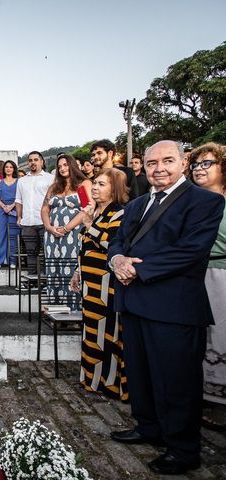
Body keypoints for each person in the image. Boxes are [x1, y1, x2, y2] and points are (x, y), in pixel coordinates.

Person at [108, 140, 225, 475]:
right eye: (151, 163)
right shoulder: (136, 204)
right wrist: (116, 258)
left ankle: (184, 449)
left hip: (173, 306)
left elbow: (192, 249)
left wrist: (136, 269)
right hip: (133, 302)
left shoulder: (204, 201)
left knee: (177, 381)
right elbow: (118, 240)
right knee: (141, 374)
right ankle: (148, 427)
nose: (158, 168)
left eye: (167, 160)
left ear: (184, 162)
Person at [70, 168, 128, 401]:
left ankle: (111, 384)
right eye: (94, 183)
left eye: (101, 184)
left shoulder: (119, 214)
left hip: (108, 285)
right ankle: (92, 378)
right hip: (90, 283)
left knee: (109, 332)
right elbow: (86, 246)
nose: (94, 187)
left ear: (114, 189)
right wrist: (77, 271)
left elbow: (112, 245)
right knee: (91, 330)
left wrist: (89, 224)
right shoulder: (95, 212)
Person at [189, 142, 226, 430]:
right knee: (200, 336)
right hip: (192, 274)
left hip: (220, 274)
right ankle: (200, 396)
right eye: (196, 165)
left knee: (221, 335)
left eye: (206, 163)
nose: (199, 169)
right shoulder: (190, 202)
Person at [41, 154, 91, 301]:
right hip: (52, 235)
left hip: (74, 234)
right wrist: (49, 227)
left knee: (71, 267)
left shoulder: (83, 184)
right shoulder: (54, 187)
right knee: (54, 269)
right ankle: (56, 309)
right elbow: (44, 209)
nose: (62, 168)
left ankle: (73, 309)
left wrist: (66, 228)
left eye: (65, 165)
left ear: (72, 165)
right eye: (60, 166)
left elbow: (86, 209)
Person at [14, 151, 53, 274]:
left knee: (47, 252)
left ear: (42, 162)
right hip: (28, 223)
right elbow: (18, 200)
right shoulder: (22, 181)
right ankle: (32, 279)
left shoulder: (50, 178)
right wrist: (19, 217)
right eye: (30, 160)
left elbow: (54, 199)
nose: (33, 162)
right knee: (31, 253)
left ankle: (47, 280)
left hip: (45, 222)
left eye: (36, 160)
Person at [0, 161, 19, 268]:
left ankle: (12, 261)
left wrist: (11, 206)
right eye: (6, 167)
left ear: (14, 169)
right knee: (0, 235)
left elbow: (20, 197)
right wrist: (4, 207)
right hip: (1, 210)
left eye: (11, 167)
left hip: (14, 209)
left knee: (13, 235)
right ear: (4, 169)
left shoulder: (19, 182)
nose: (8, 169)